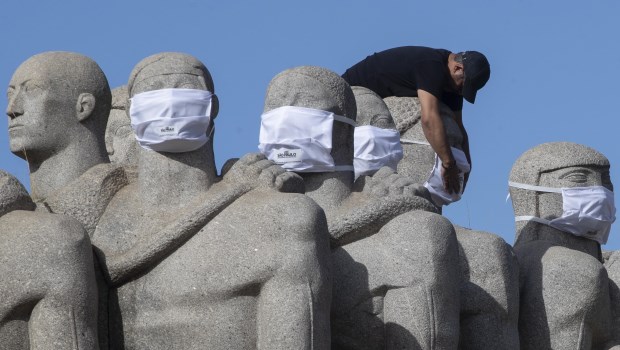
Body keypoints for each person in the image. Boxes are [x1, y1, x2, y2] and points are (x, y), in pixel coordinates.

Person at [92, 53, 331, 349]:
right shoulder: (98, 215)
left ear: (212, 107)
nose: (169, 102)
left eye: (184, 88)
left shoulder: (283, 219)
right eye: (154, 91)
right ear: (129, 111)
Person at [260, 66, 460, 349]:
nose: (288, 119)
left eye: (384, 124)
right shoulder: (246, 218)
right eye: (277, 108)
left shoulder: (408, 233)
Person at [509, 142, 616, 349]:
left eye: (605, 180)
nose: (599, 190)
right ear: (532, 192)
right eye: (579, 178)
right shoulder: (562, 267)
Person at [342, 46, 490, 194]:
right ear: (457, 68)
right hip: (351, 99)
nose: (460, 92)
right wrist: (448, 163)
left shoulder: (452, 86)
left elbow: (460, 129)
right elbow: (429, 119)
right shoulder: (432, 66)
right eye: (462, 87)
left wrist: (466, 168)